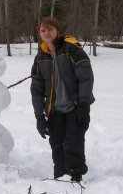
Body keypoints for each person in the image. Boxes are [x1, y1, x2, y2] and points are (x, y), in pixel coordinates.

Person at [30, 17, 95, 182]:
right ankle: (59, 176)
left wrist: (84, 105)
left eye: (49, 29)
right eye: (43, 30)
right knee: (57, 143)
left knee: (73, 142)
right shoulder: (40, 58)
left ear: (57, 30)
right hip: (54, 109)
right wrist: (39, 115)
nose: (46, 33)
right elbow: (37, 90)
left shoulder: (71, 49)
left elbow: (86, 78)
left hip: (75, 106)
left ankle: (75, 175)